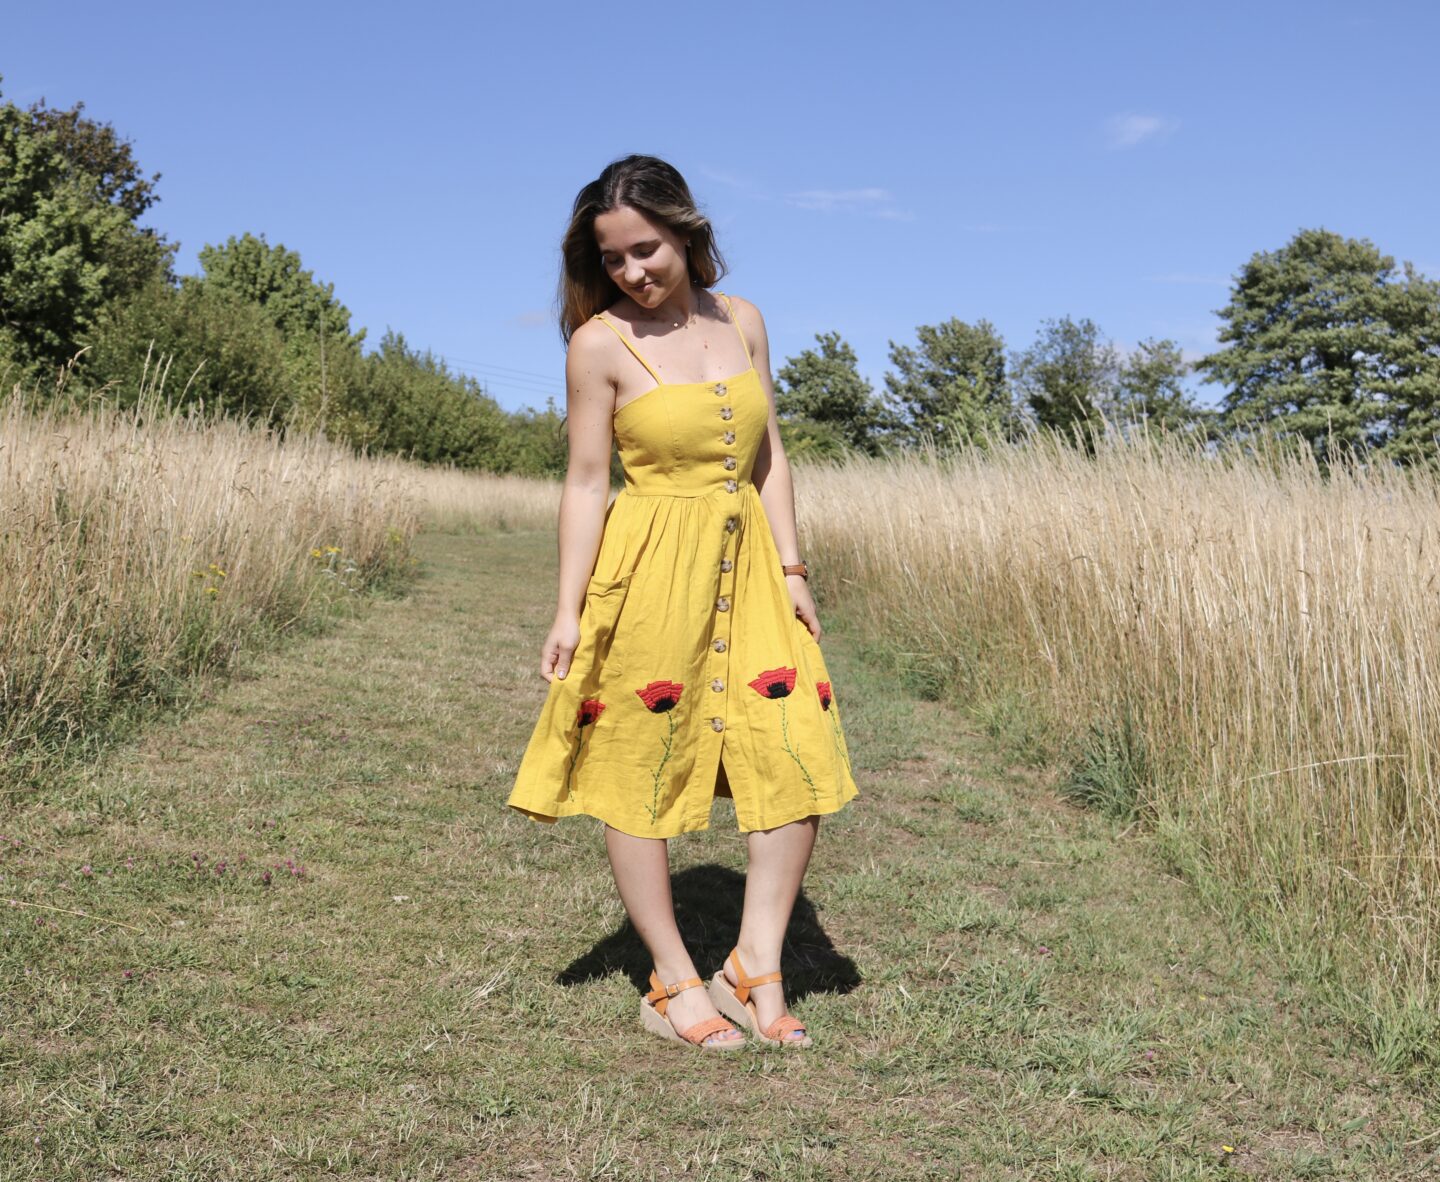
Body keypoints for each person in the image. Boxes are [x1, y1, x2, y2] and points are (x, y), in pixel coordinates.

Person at [507, 154, 859, 1051]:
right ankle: (670, 979)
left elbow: (768, 453)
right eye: (615, 259)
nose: (634, 271)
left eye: (647, 249)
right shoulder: (599, 345)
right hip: (653, 565)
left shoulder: (743, 319)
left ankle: (754, 966)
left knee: (793, 748)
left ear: (687, 233)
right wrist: (567, 608)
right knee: (640, 754)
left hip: (750, 564)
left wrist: (793, 568)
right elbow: (587, 484)